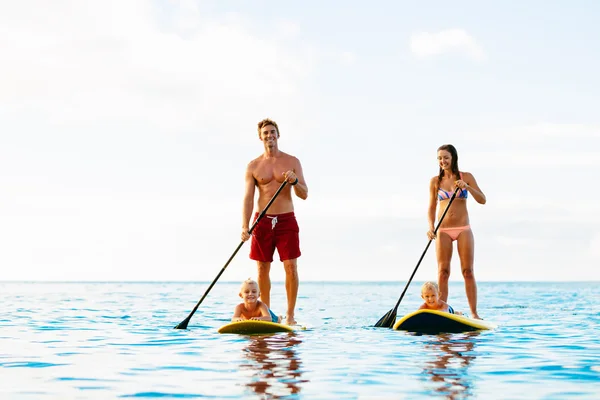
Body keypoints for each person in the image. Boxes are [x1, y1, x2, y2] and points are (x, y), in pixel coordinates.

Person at [241, 118, 308, 326]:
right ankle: (267, 315)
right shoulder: (253, 165)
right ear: (260, 137)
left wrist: (294, 181)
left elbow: (304, 194)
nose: (269, 136)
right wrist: (245, 226)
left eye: (273, 132)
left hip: (286, 220)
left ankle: (290, 316)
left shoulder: (292, 162)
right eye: (265, 133)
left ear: (278, 135)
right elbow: (248, 198)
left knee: (291, 267)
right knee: (262, 269)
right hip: (261, 220)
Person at [427, 144, 486, 319]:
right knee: (443, 272)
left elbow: (482, 200)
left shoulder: (465, 177)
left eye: (445, 157)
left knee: (467, 271)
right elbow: (431, 207)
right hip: (443, 230)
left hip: (463, 229)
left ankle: (474, 314)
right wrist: (431, 227)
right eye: (439, 158)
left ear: (453, 158)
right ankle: (442, 312)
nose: (442, 161)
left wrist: (467, 187)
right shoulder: (435, 181)